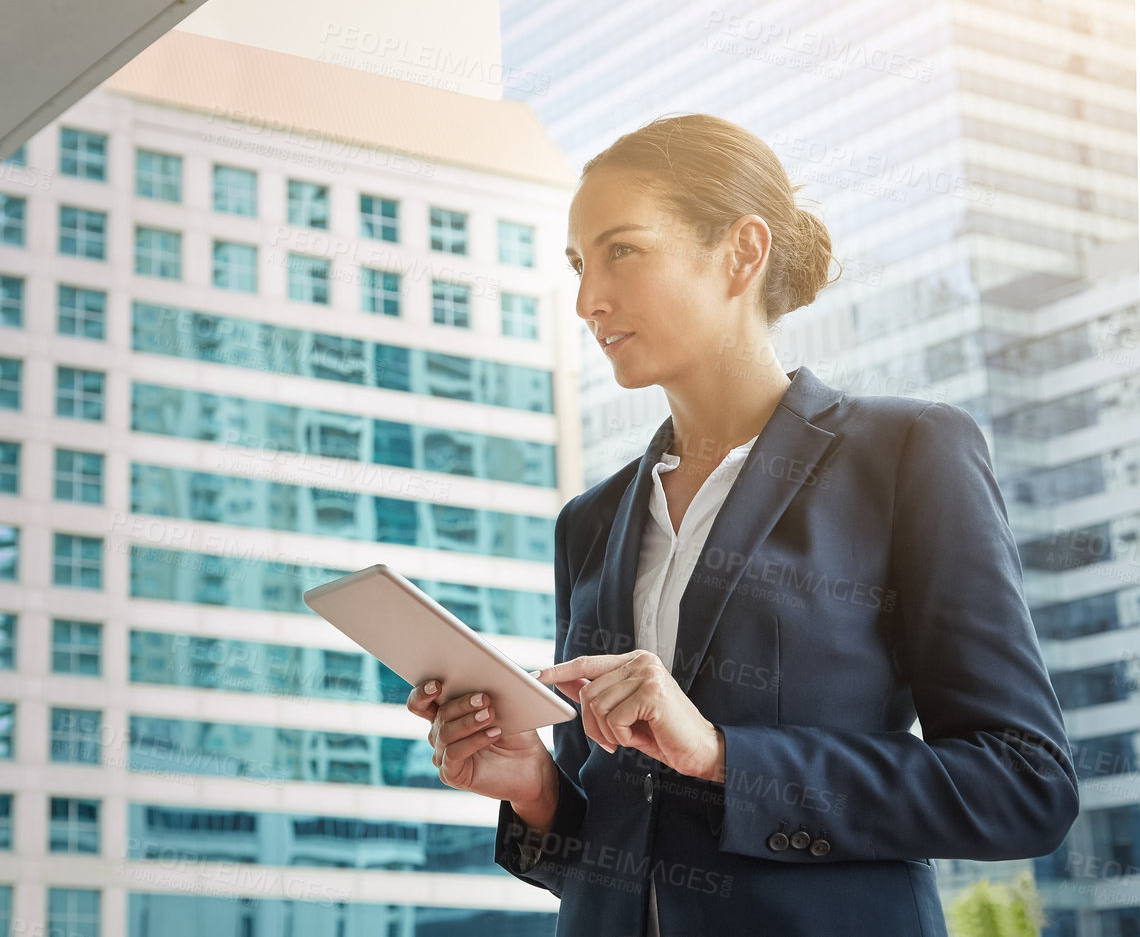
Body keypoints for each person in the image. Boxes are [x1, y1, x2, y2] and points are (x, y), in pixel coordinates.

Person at [404, 114, 1078, 936]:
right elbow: (624, 849)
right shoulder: (590, 522)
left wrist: (724, 756)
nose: (588, 300)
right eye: (579, 265)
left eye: (622, 250)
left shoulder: (907, 454)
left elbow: (1024, 786)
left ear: (742, 252)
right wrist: (536, 789)